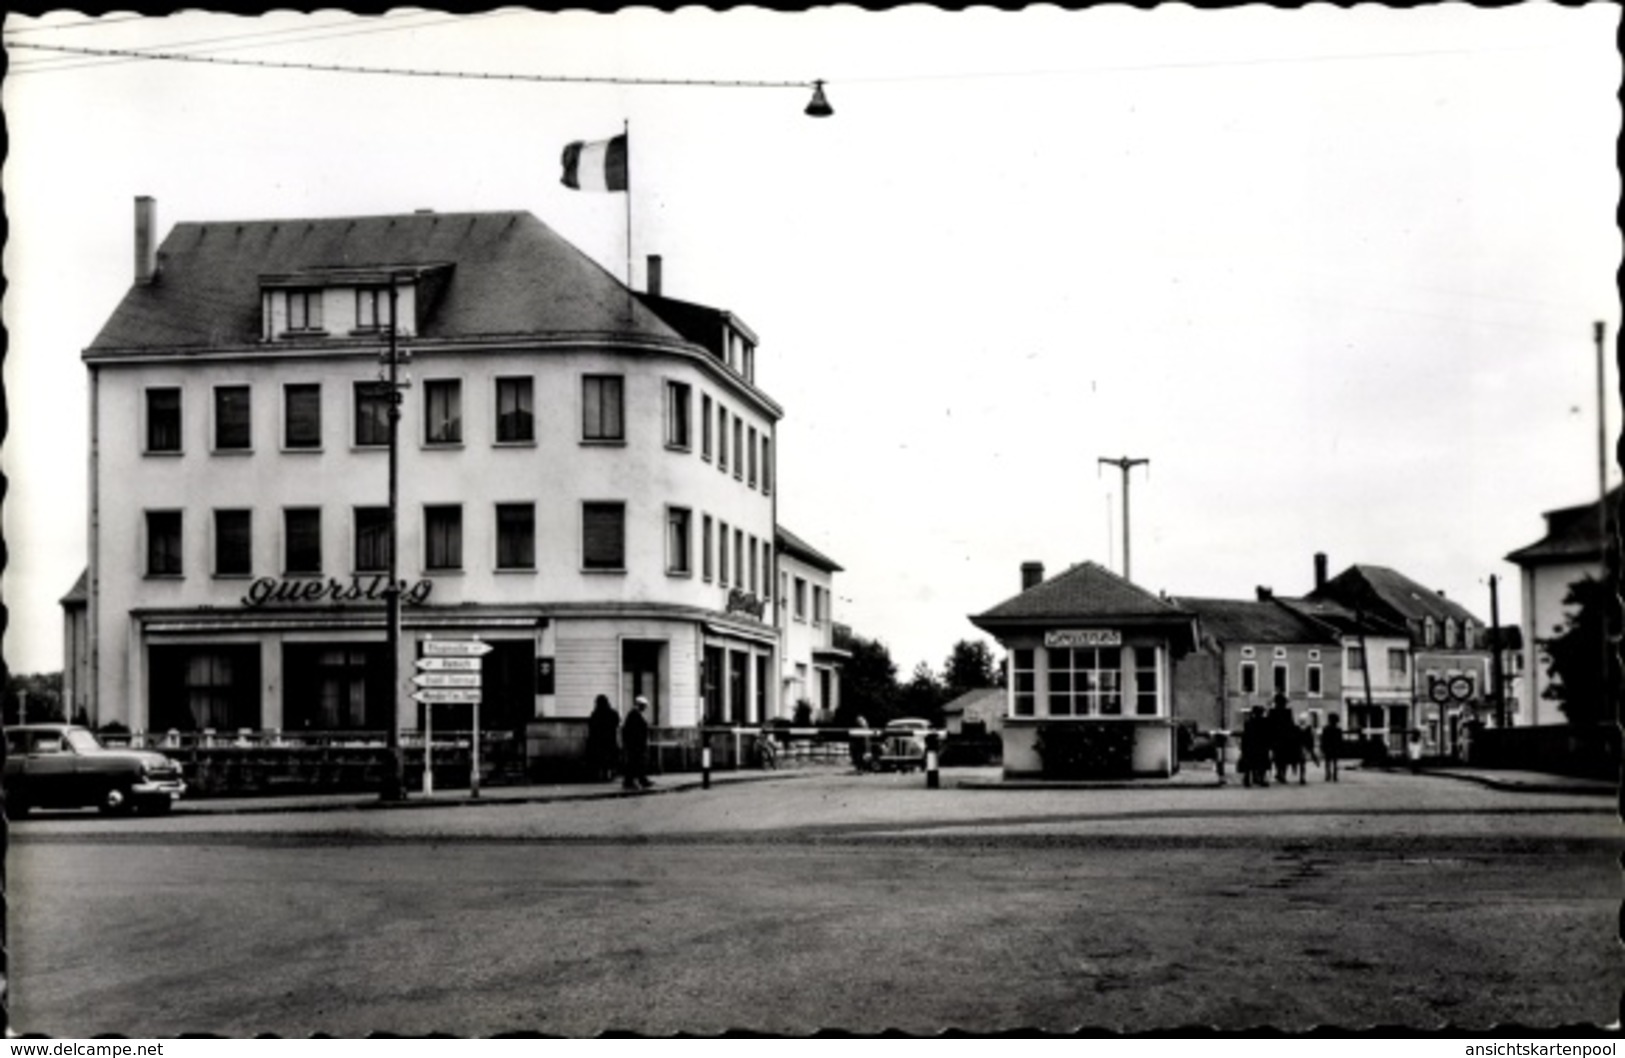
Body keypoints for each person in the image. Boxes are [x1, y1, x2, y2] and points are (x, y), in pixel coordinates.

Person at [621, 696, 653, 790]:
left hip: (636, 743)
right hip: (635, 744)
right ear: (640, 705)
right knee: (635, 762)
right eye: (644, 706)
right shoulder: (634, 715)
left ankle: (638, 780)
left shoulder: (635, 714)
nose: (645, 708)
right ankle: (633, 781)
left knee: (636, 762)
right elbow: (633, 730)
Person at [587, 694, 620, 782]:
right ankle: (609, 775)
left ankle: (600, 775)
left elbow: (591, 726)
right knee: (610, 760)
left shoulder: (595, 714)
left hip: (598, 741)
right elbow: (616, 723)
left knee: (599, 759)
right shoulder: (613, 713)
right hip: (610, 739)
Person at [1269, 693, 1299, 785]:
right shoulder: (1287, 712)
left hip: (1276, 738)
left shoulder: (1272, 712)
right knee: (1285, 758)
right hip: (1286, 738)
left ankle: (1279, 773)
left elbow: (1269, 725)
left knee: (1277, 757)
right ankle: (1283, 774)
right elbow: (1291, 724)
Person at [1241, 705, 1270, 787]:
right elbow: (1268, 735)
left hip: (1251, 746)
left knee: (1249, 762)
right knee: (1262, 762)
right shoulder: (1265, 722)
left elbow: (1245, 736)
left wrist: (1243, 747)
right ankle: (1261, 779)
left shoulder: (1248, 722)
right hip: (1262, 746)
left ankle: (1247, 779)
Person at [1320, 714, 1343, 782]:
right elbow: (1340, 740)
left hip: (1328, 747)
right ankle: (1334, 776)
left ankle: (1328, 775)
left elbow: (1323, 739)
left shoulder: (1326, 729)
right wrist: (1340, 747)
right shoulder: (1338, 730)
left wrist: (1323, 747)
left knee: (1328, 762)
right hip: (1335, 747)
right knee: (1335, 762)